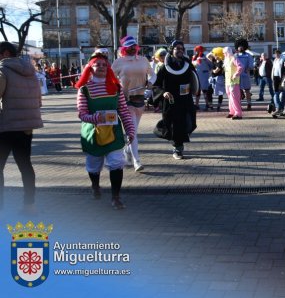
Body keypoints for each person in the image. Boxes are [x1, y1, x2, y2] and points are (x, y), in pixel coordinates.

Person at [75, 52, 135, 210]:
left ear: (108, 68)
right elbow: (82, 114)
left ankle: (116, 197)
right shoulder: (84, 89)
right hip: (92, 133)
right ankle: (95, 186)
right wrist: (96, 118)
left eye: (104, 64)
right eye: (97, 64)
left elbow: (123, 110)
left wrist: (130, 130)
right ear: (90, 67)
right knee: (94, 165)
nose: (101, 67)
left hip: (113, 132)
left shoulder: (116, 88)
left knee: (117, 162)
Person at [0, 42, 43, 213]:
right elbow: (39, 99)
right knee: (25, 165)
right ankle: (29, 205)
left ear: (4, 53)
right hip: (26, 126)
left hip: (5, 126)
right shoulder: (30, 71)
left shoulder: (2, 69)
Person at [111, 36, 155, 172]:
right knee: (133, 132)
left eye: (134, 46)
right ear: (124, 48)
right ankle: (137, 161)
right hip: (126, 100)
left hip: (140, 98)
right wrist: (120, 88)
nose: (132, 49)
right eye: (129, 47)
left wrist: (150, 83)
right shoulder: (118, 62)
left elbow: (153, 74)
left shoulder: (143, 60)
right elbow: (111, 80)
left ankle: (127, 151)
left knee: (133, 131)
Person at [152, 40, 198, 160]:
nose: (180, 50)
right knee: (175, 125)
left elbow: (195, 80)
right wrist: (163, 92)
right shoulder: (164, 67)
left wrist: (196, 90)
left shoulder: (187, 64)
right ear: (172, 50)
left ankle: (178, 143)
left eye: (182, 48)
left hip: (186, 99)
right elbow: (156, 85)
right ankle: (177, 149)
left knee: (190, 123)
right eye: (177, 48)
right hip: (171, 101)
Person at [223, 46, 243, 119]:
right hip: (228, 81)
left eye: (224, 53)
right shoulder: (226, 60)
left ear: (228, 52)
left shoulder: (234, 58)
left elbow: (240, 67)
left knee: (234, 98)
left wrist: (235, 74)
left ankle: (238, 113)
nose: (224, 54)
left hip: (234, 81)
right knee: (230, 98)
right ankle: (232, 112)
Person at [192, 45, 214, 111]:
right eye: (196, 50)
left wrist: (207, 71)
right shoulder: (194, 57)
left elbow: (211, 65)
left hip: (204, 76)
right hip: (197, 76)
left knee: (205, 91)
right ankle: (197, 105)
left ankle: (207, 104)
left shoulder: (205, 58)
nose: (196, 52)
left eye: (197, 50)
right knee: (197, 91)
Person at [234, 38, 253, 111]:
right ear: (237, 47)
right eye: (239, 46)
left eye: (242, 46)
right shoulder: (235, 55)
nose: (240, 47)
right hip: (237, 76)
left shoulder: (248, 55)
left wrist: (248, 69)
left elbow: (251, 65)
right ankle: (239, 105)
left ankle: (249, 104)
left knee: (247, 90)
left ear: (244, 46)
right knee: (238, 91)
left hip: (245, 76)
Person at [209, 48, 226, 112]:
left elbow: (216, 71)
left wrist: (211, 70)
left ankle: (219, 105)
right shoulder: (214, 60)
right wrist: (212, 52)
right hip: (212, 78)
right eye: (214, 54)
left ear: (219, 55)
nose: (214, 56)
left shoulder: (221, 63)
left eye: (216, 55)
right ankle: (211, 105)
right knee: (209, 91)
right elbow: (208, 56)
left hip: (219, 78)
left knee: (220, 92)